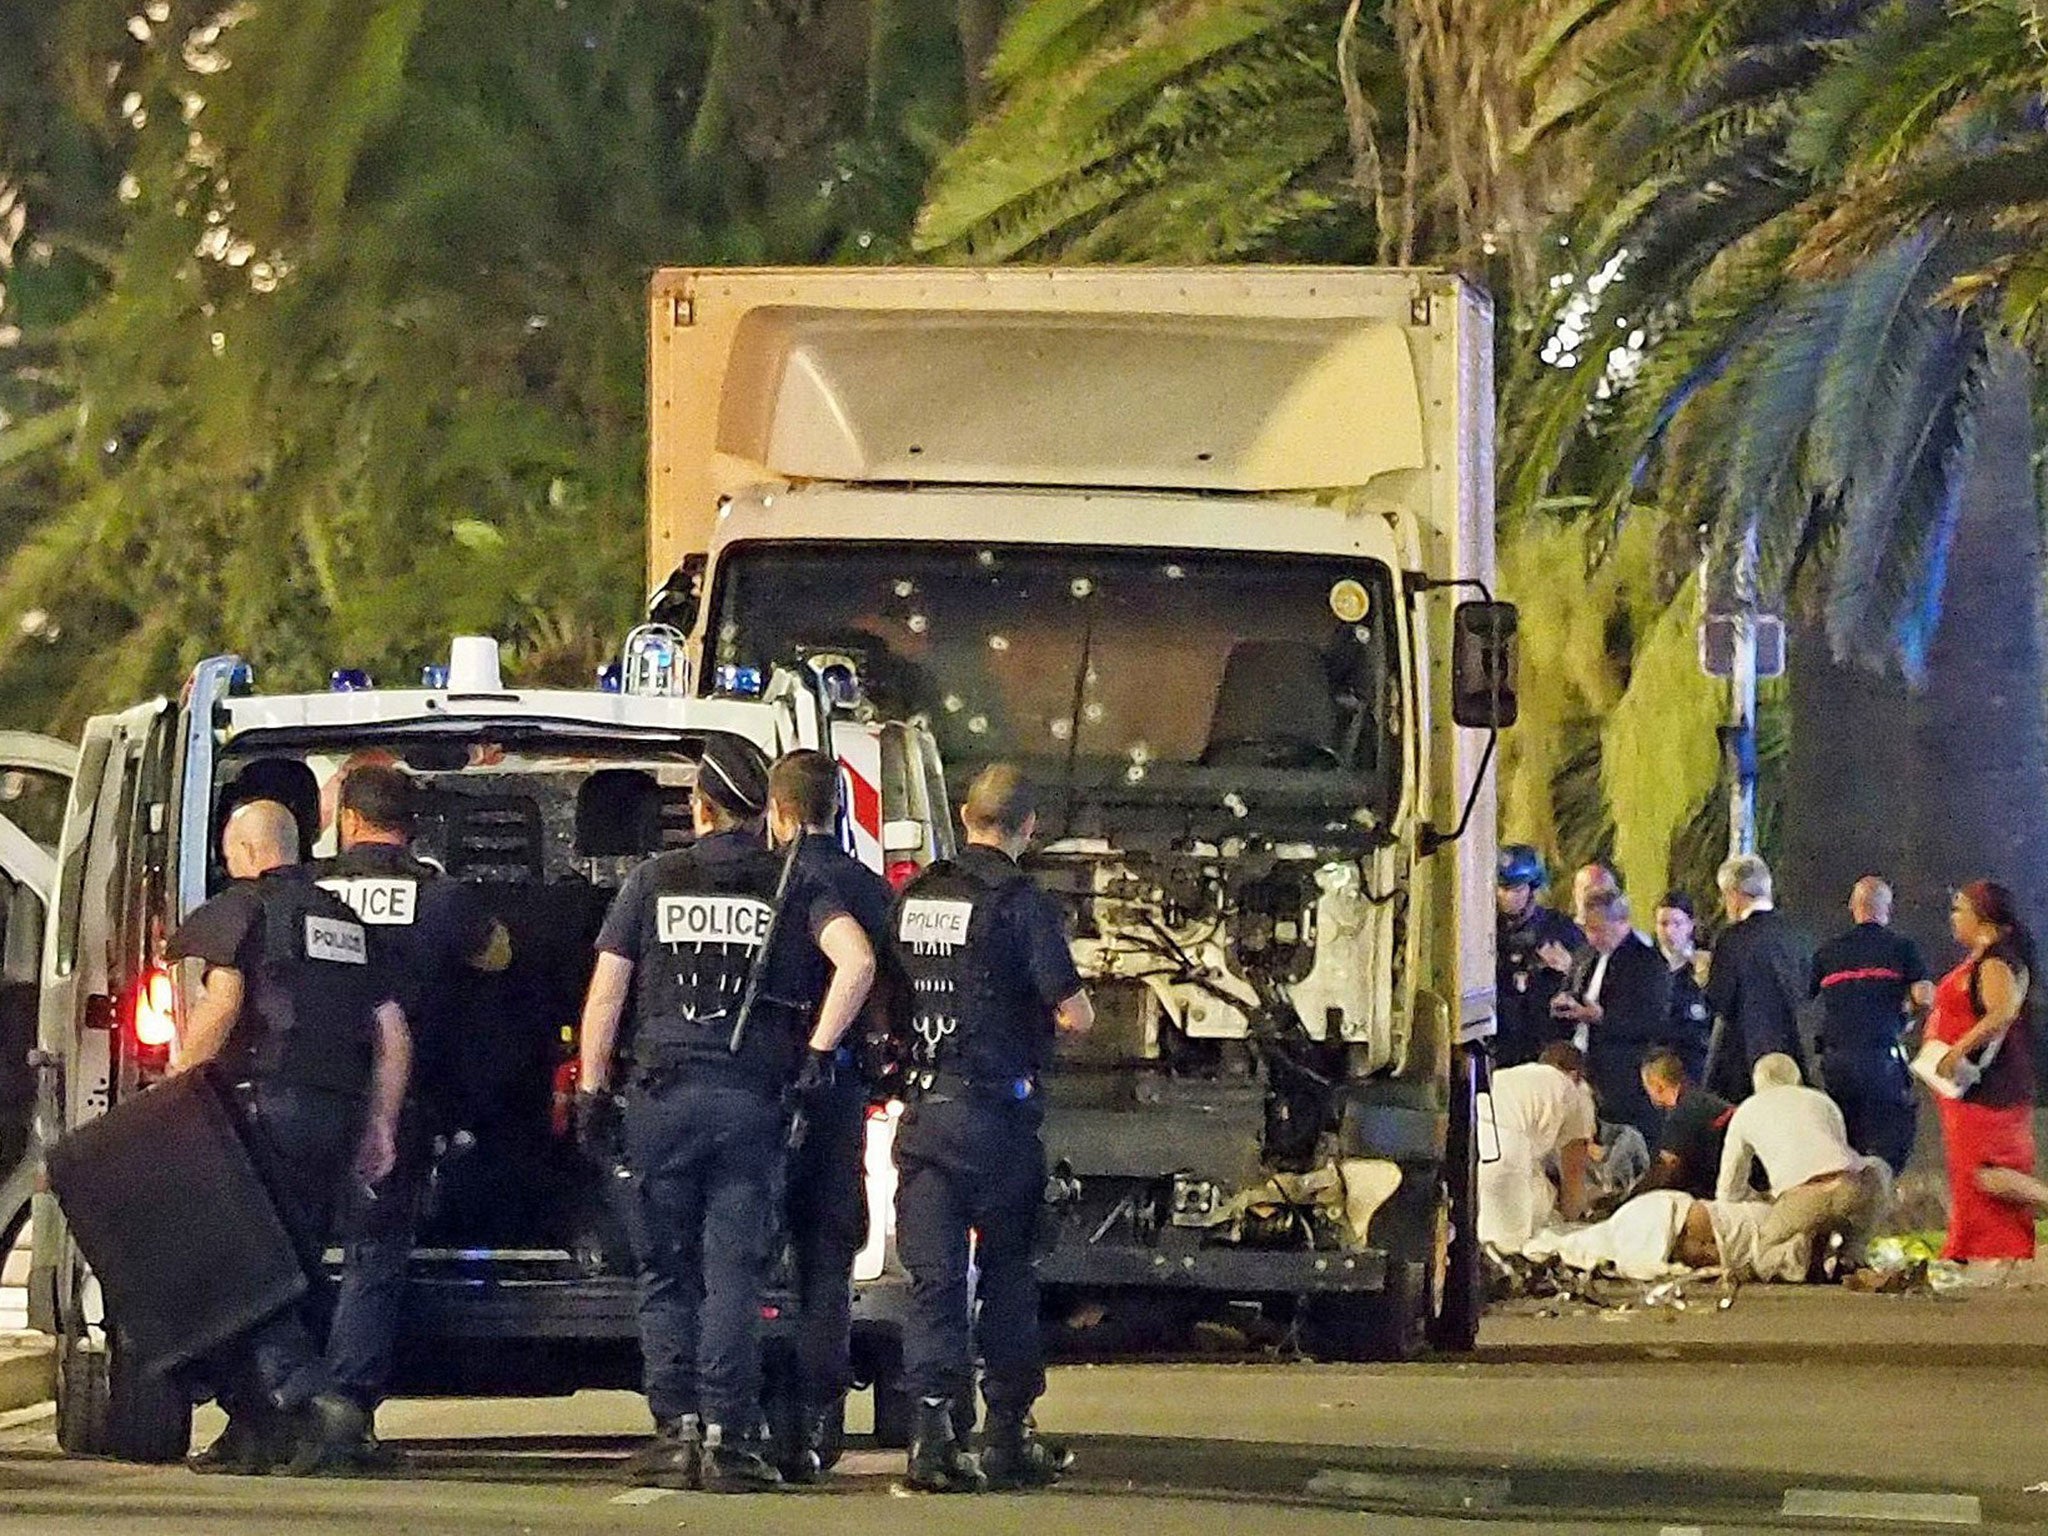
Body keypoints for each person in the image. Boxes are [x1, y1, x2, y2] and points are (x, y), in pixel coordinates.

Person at [574, 738, 876, 1493]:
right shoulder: (792, 881)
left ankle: (674, 1430)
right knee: (733, 1274)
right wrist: (817, 1048)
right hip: (749, 1104)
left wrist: (590, 1088)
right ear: (761, 812)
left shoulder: (653, 880)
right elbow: (859, 962)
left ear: (700, 807)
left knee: (666, 1273)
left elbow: (607, 993)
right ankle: (729, 1434)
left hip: (663, 1101)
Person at [167, 800, 411, 1475]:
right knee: (294, 1265)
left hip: (260, 1105)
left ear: (242, 851)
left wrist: (173, 1089)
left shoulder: (243, 910)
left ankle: (315, 1398)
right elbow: (393, 1034)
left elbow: (223, 1004)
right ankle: (253, 1432)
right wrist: (381, 1126)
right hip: (335, 1113)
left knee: (239, 1264)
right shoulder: (347, 922)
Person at [891, 765, 1093, 1493]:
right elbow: (1074, 1012)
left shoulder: (914, 896)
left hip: (924, 1115)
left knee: (933, 1281)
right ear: (1027, 828)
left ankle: (934, 1436)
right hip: (997, 1121)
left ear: (963, 816)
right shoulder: (1019, 905)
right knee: (1007, 1277)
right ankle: (1008, 1434)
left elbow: (890, 997)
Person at [313, 764, 510, 1454]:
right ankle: (346, 1403)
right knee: (375, 1252)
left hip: (309, 1089)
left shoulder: (308, 892)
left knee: (297, 1245)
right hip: (405, 1094)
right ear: (410, 826)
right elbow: (500, 958)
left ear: (349, 822)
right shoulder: (443, 898)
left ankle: (277, 1398)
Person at [764, 749, 895, 1481]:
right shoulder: (872, 890)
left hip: (763, 1091)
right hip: (840, 1095)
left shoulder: (770, 885)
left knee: (749, 1253)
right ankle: (818, 1422)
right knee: (825, 1259)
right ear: (838, 806)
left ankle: (756, 1415)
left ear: (778, 812)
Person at [1925, 881, 2048, 1262]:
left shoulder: (1997, 960)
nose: (1953, 917)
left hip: (1990, 1086)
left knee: (1985, 1173)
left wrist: (1959, 1049)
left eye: (1959, 909)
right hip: (1963, 1091)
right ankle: (1985, 1252)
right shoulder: (1979, 957)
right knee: (1971, 1177)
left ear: (1984, 917)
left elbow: (2002, 1012)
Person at [1716, 1054, 1888, 1271]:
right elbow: (1836, 1158)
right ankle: (1852, 1253)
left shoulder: (1746, 1110)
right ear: (1796, 1078)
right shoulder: (1822, 1101)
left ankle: (1800, 1252)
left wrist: (1758, 1200)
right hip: (1852, 1187)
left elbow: (1728, 1190)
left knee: (1763, 1257)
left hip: (1803, 1198)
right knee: (1874, 1173)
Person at [1809, 876, 1930, 1176]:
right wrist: (1907, 1013)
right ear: (1886, 908)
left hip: (1836, 1061)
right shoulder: (1902, 948)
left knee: (1845, 1140)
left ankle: (1849, 1206)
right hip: (1881, 1058)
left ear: (1853, 907)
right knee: (1888, 1140)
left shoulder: (1828, 952)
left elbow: (1804, 993)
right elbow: (1925, 995)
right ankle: (1879, 1198)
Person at [1553, 888, 1671, 1145]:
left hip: (1623, 1074)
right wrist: (1565, 1003)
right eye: (1587, 929)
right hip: (1581, 1064)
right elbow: (1572, 988)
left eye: (1599, 929)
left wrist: (1602, 1018)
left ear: (1622, 923)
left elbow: (1653, 1022)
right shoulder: (1585, 955)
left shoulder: (1647, 964)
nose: (1592, 937)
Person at [1703, 855, 1811, 1100]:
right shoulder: (1798, 936)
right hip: (1796, 1054)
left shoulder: (1732, 939)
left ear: (1735, 893)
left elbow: (1720, 1001)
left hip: (1745, 1060)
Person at [1476, 1042, 1597, 1253]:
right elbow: (1573, 1171)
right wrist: (1573, 1218)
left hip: (1471, 1140)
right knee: (1509, 1244)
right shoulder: (1576, 1092)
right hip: (1507, 1148)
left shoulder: (1515, 1075)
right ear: (1576, 1074)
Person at [1494, 845, 1583, 1068]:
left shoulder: (1561, 930)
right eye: (1501, 889)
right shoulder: (1488, 930)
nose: (1506, 897)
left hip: (1548, 1049)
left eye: (1515, 890)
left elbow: (1593, 984)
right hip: (1502, 1047)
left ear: (1532, 889)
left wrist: (1570, 968)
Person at [1636, 1048, 1734, 1199]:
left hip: (1719, 1195)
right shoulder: (1702, 1101)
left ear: (1658, 1086)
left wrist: (1626, 1203)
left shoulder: (1682, 1114)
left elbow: (1666, 1170)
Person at [1654, 891, 1713, 1081]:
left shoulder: (1706, 964)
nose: (1670, 931)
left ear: (1690, 925)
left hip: (1694, 1061)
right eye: (1663, 924)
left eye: (1677, 923)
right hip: (1657, 1060)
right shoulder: (1647, 964)